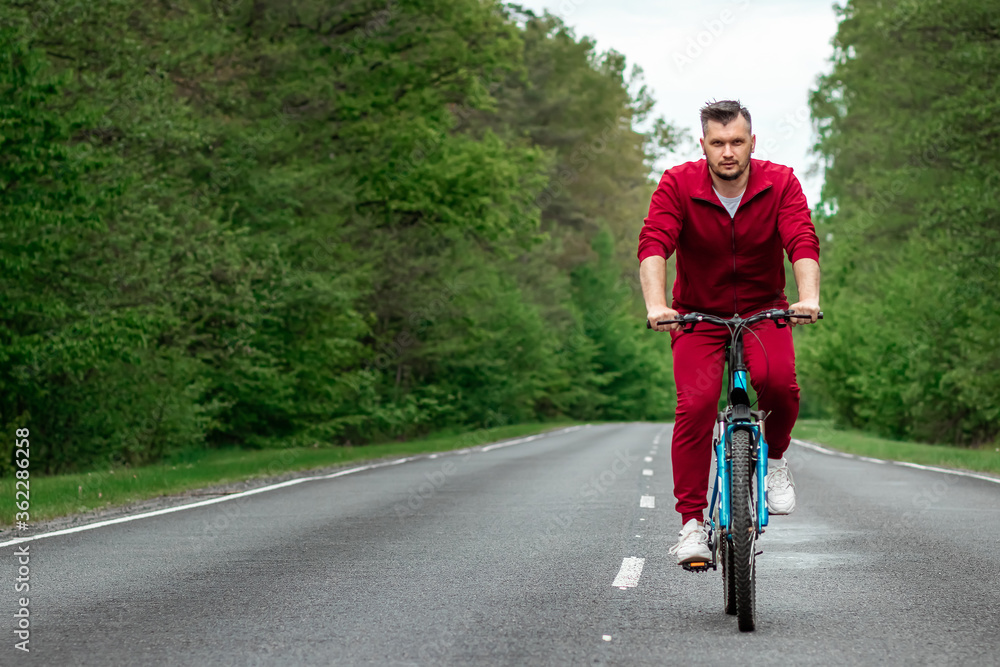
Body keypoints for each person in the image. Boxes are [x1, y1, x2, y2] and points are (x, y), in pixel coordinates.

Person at [637, 100, 821, 565]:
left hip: (764, 310)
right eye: (717, 143)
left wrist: (808, 297)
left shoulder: (780, 182)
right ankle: (691, 524)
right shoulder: (678, 184)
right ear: (702, 145)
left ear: (752, 143)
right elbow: (654, 242)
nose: (728, 152)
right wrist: (657, 305)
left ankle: (774, 463)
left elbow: (801, 238)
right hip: (696, 315)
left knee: (778, 383)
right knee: (696, 404)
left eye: (737, 141)